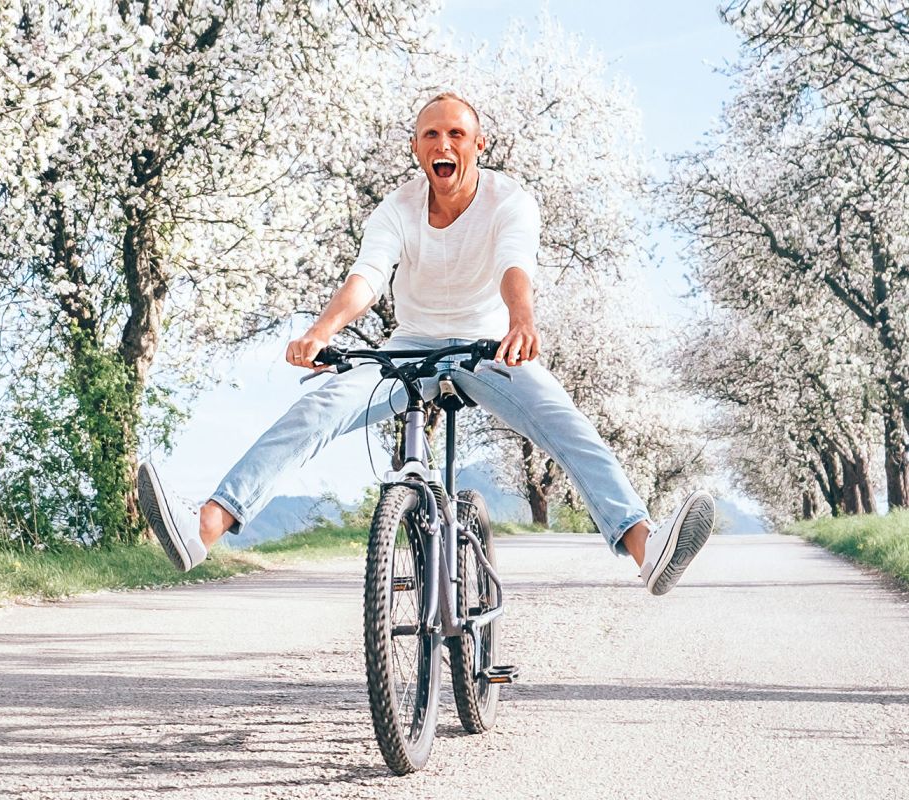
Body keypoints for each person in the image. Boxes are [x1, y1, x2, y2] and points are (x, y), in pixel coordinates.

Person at [136, 91, 714, 596]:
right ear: (416, 149)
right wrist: (321, 330)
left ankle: (645, 548)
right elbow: (367, 276)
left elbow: (515, 264)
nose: (444, 142)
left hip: (487, 346)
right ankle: (205, 527)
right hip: (408, 345)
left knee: (561, 422)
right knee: (316, 409)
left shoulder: (509, 201)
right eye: (431, 134)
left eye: (456, 133)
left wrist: (520, 320)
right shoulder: (398, 208)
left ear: (479, 145)